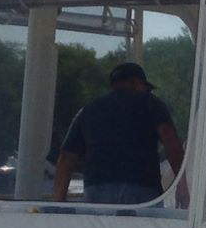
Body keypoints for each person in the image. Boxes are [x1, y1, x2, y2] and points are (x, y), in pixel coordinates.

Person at [51, 61, 185, 204]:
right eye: (145, 87)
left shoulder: (88, 110)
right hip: (142, 188)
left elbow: (65, 159)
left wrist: (58, 204)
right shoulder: (151, 103)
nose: (147, 92)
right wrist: (183, 185)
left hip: (97, 190)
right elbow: (170, 140)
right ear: (135, 82)